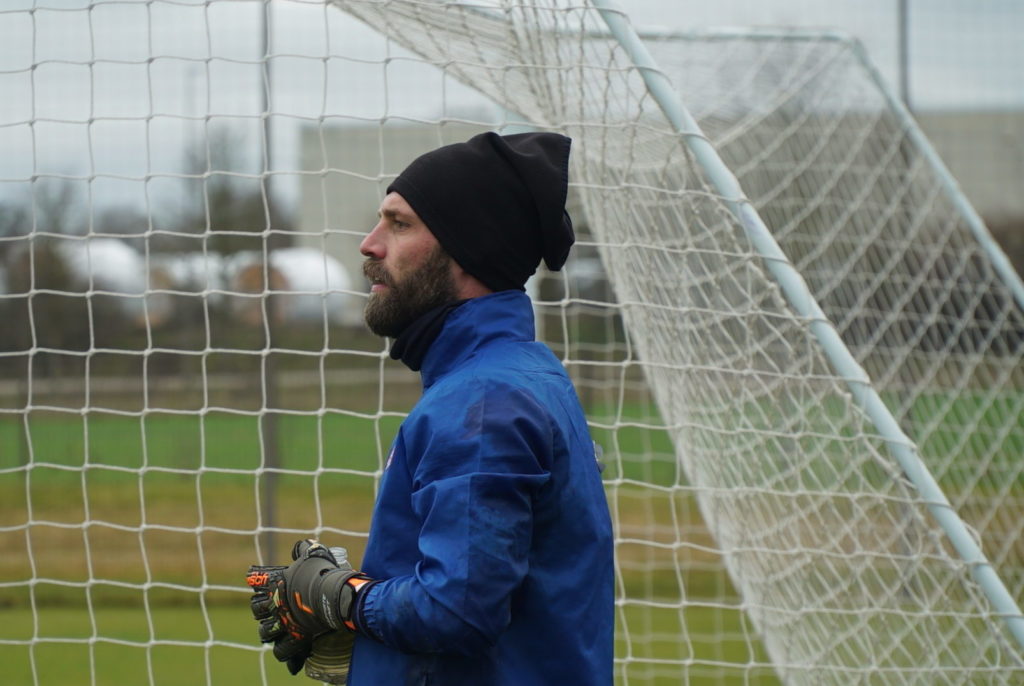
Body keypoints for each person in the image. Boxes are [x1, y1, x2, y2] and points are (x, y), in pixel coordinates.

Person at [248, 132, 614, 685]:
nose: (370, 245)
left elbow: (457, 612)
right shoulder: (521, 374)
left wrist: (342, 600)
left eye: (400, 224)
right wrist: (374, 643)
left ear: (469, 247)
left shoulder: (484, 401)